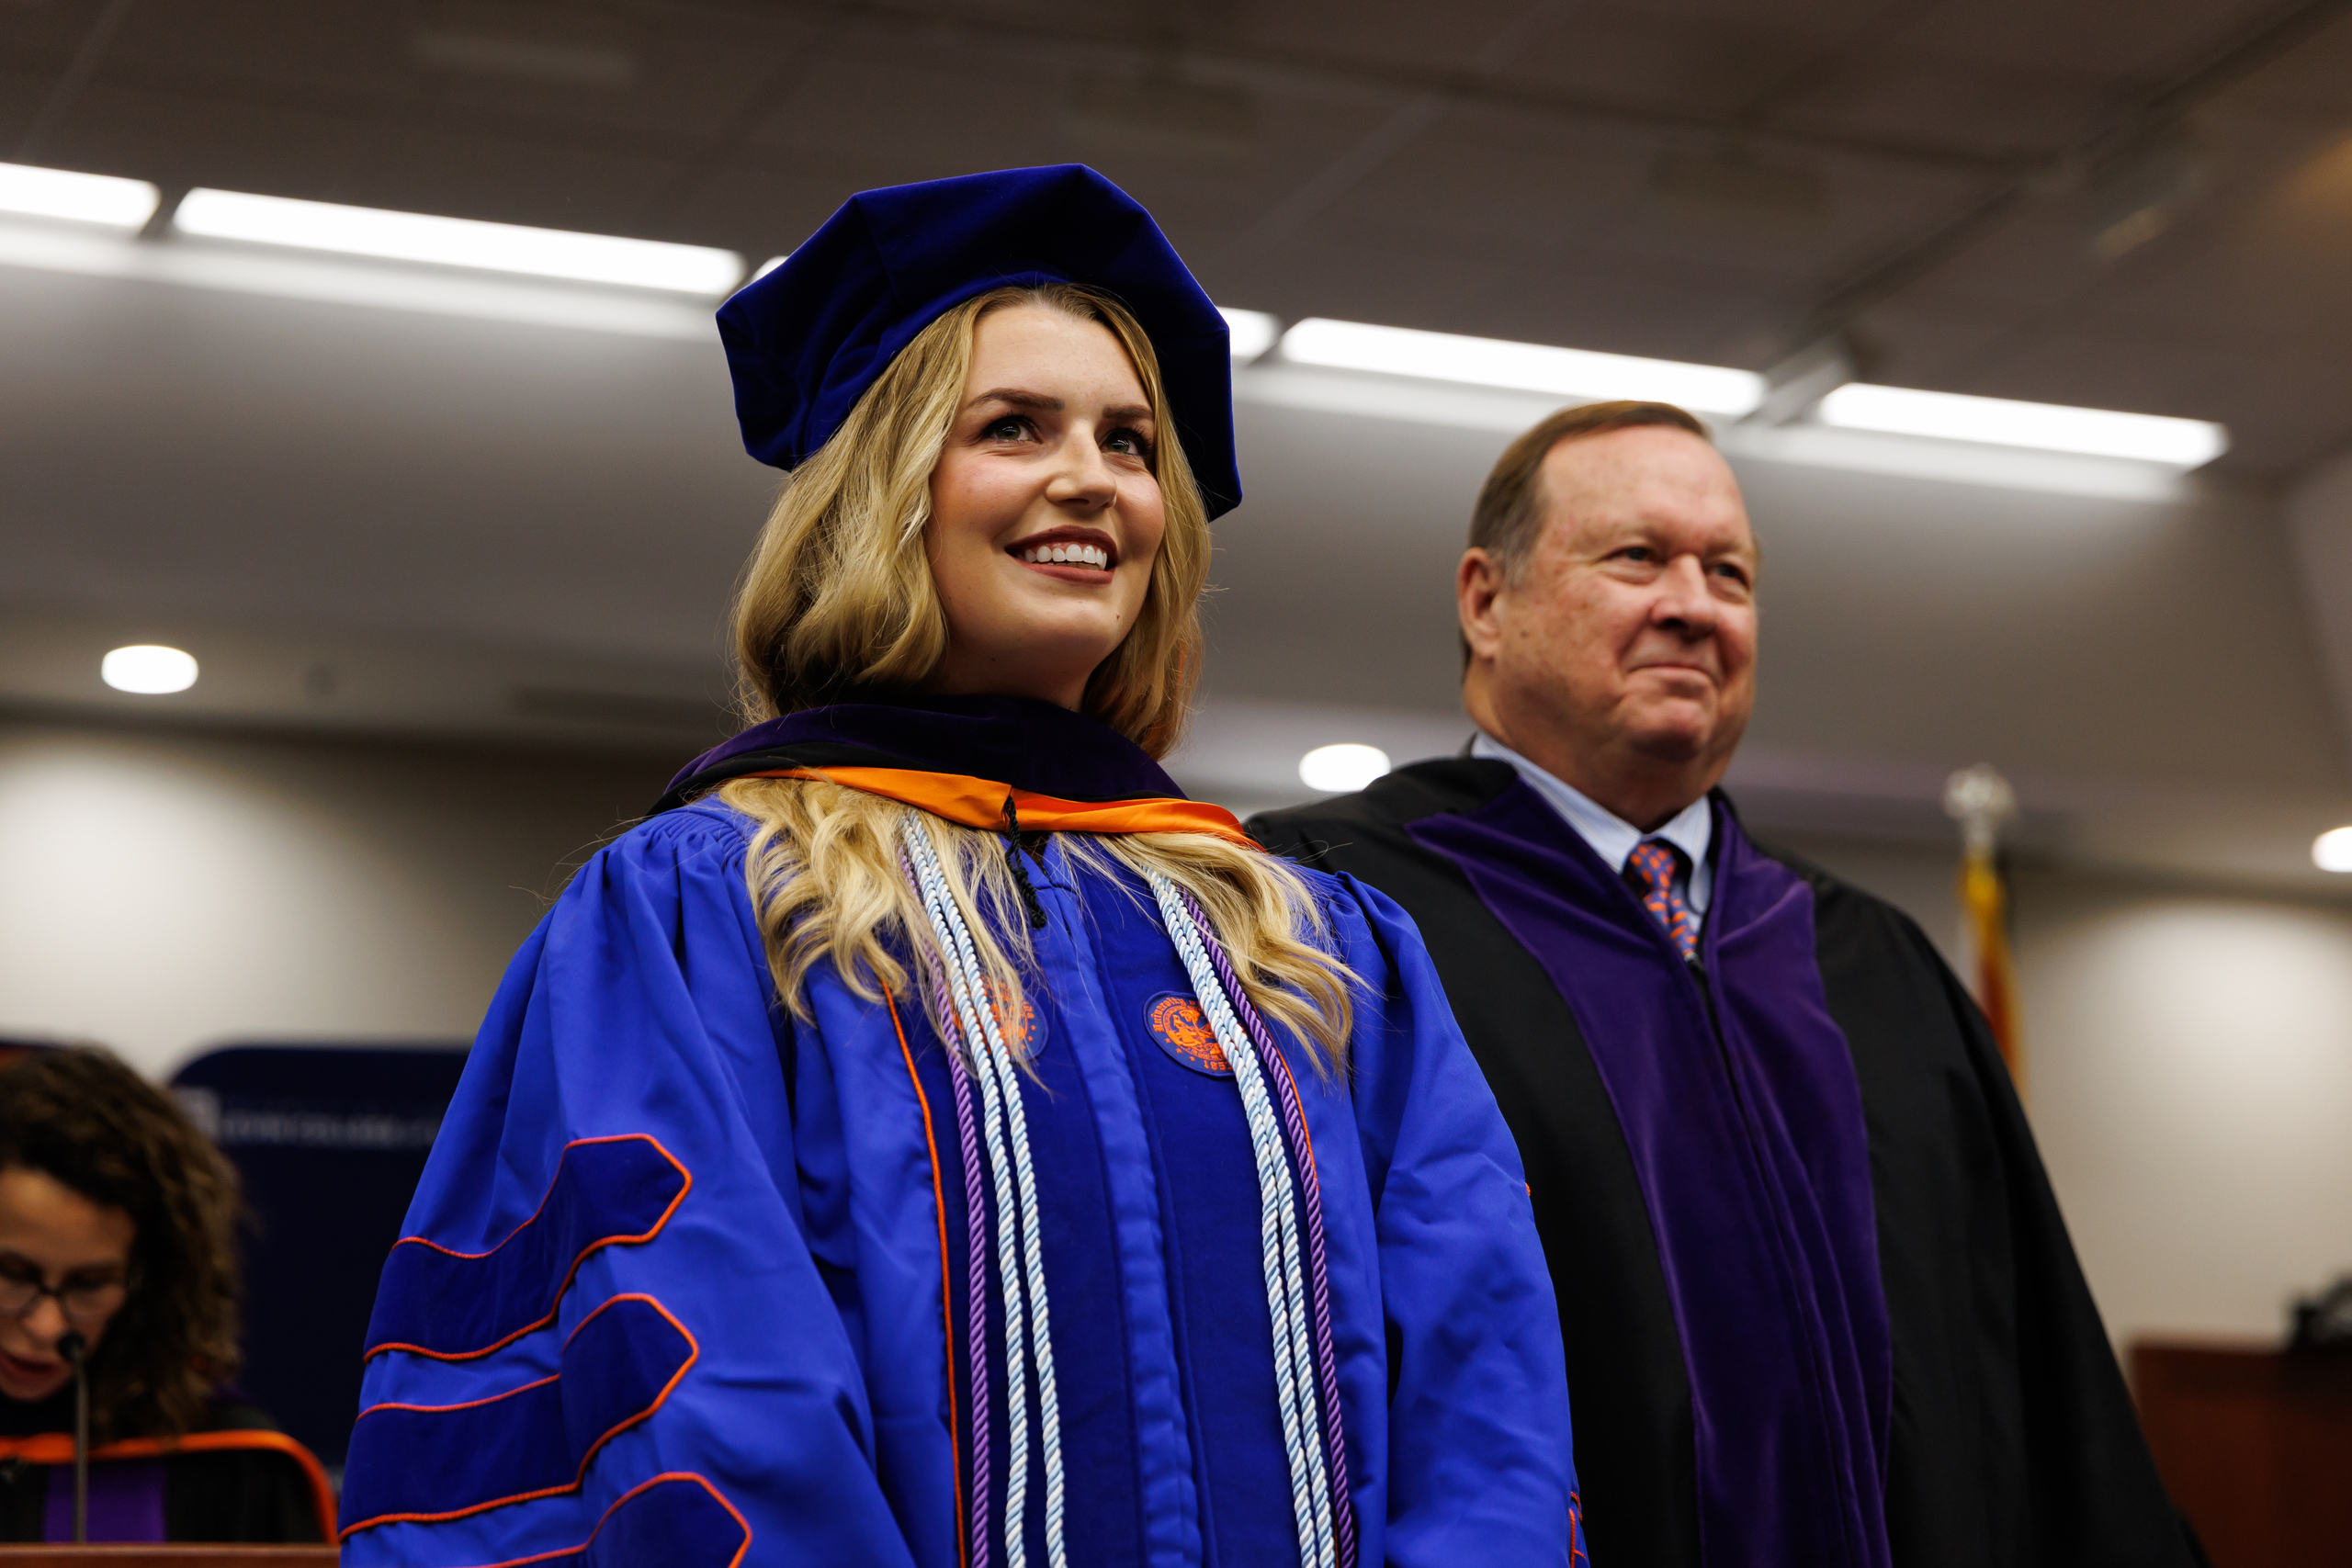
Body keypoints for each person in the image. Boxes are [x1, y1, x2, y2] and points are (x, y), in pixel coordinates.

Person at [341, 165, 1585, 1568]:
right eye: (1012, 426)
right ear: (883, 490)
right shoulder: (713, 910)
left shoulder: (1312, 943)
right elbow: (702, 1392)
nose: (1090, 477)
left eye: (1130, 441)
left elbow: (1484, 1392)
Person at [1250, 400, 2201, 1568]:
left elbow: (2047, 1387)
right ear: (1484, 601)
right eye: (1636, 557)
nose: (1692, 606)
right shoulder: (1328, 913)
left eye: (1729, 574)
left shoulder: (1872, 968)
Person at [0, 1046, 334, 1543]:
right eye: (13, 1274)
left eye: (90, 1284)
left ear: (148, 1281)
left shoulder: (233, 1465)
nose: (47, 1326)